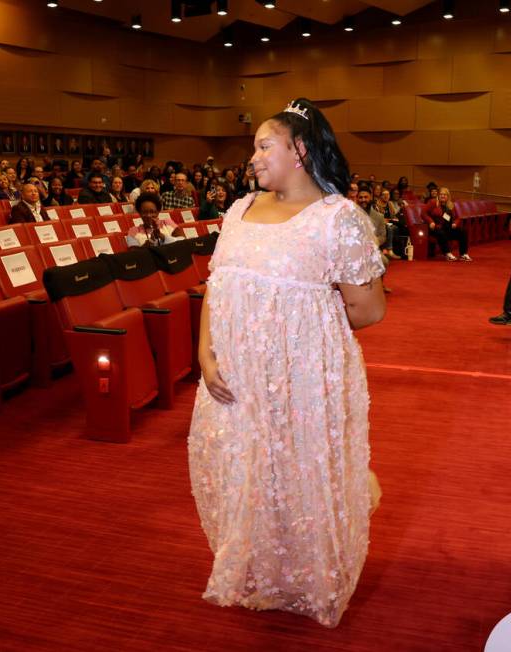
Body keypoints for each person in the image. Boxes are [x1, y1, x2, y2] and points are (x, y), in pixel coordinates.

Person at [188, 98, 386, 628]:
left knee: (299, 468)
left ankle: (307, 573)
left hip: (303, 375)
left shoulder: (337, 218)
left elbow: (368, 309)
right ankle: (259, 564)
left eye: (263, 145)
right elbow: (217, 284)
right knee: (249, 467)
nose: (252, 157)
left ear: (299, 150)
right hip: (234, 377)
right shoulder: (240, 209)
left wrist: (296, 339)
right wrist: (206, 350)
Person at [421, 187, 470, 261]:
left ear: (448, 196)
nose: (442, 196)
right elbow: (423, 213)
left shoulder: (451, 205)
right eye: (441, 194)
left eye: (444, 194)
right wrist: (430, 221)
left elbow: (458, 218)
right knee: (441, 232)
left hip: (447, 228)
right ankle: (447, 253)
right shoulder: (433, 202)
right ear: (438, 195)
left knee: (463, 231)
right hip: (435, 228)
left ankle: (463, 254)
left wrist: (455, 224)